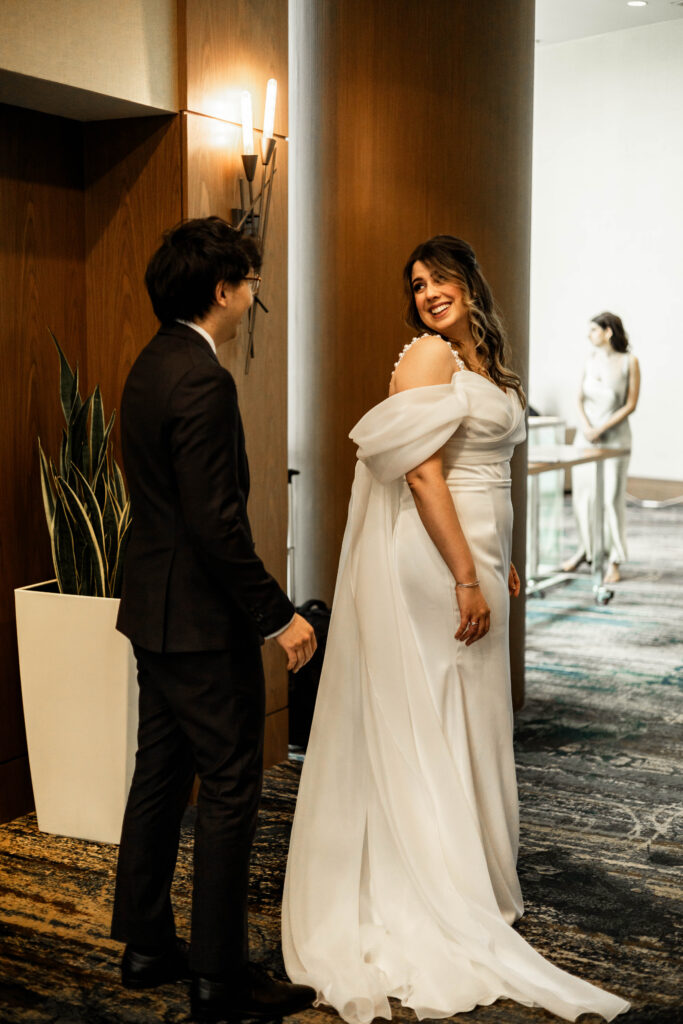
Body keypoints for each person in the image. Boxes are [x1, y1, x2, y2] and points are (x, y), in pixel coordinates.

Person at [282, 236, 629, 1022]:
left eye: (438, 278)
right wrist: (464, 573)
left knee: (472, 717)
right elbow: (420, 472)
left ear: (470, 283)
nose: (427, 292)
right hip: (434, 561)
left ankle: (470, 876)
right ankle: (429, 884)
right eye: (415, 284)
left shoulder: (488, 370)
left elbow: (495, 476)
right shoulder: (428, 358)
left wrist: (498, 558)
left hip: (475, 555)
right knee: (430, 711)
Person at [110, 217, 317, 1024]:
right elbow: (215, 522)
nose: (252, 296)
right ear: (223, 291)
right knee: (231, 786)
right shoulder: (203, 379)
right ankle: (219, 980)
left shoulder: (148, 366)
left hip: (152, 615)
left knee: (160, 776)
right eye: (250, 284)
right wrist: (278, 616)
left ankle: (147, 945)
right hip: (199, 623)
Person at [563, 313, 640, 583]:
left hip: (615, 440)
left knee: (610, 500)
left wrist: (602, 428)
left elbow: (631, 404)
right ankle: (587, 551)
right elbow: (579, 398)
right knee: (583, 499)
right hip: (586, 439)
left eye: (593, 329)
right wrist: (586, 427)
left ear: (608, 332)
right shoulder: (590, 359)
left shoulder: (630, 362)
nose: (589, 335)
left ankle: (615, 559)